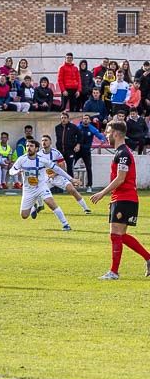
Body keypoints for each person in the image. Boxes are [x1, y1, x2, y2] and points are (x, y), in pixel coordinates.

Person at [91, 120, 150, 279]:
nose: (106, 135)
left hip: (124, 197)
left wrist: (101, 193)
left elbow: (120, 178)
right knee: (119, 235)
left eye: (108, 132)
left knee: (115, 234)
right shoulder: (122, 152)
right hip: (123, 198)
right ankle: (148, 258)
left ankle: (114, 272)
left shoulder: (123, 153)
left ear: (116, 133)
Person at [9, 133, 76, 231]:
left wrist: (71, 179)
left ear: (36, 149)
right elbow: (11, 170)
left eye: (31, 146)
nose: (29, 148)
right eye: (27, 146)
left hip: (41, 186)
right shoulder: (21, 160)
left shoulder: (42, 160)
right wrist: (17, 171)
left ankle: (66, 225)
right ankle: (32, 207)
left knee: (51, 203)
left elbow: (57, 169)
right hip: (28, 190)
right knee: (24, 215)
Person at [38, 135, 91, 215]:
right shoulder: (39, 154)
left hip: (58, 176)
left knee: (72, 190)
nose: (44, 142)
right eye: (42, 141)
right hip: (47, 177)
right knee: (37, 190)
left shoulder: (56, 153)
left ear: (50, 142)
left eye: (46, 140)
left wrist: (54, 174)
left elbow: (62, 167)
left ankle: (86, 208)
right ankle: (40, 206)